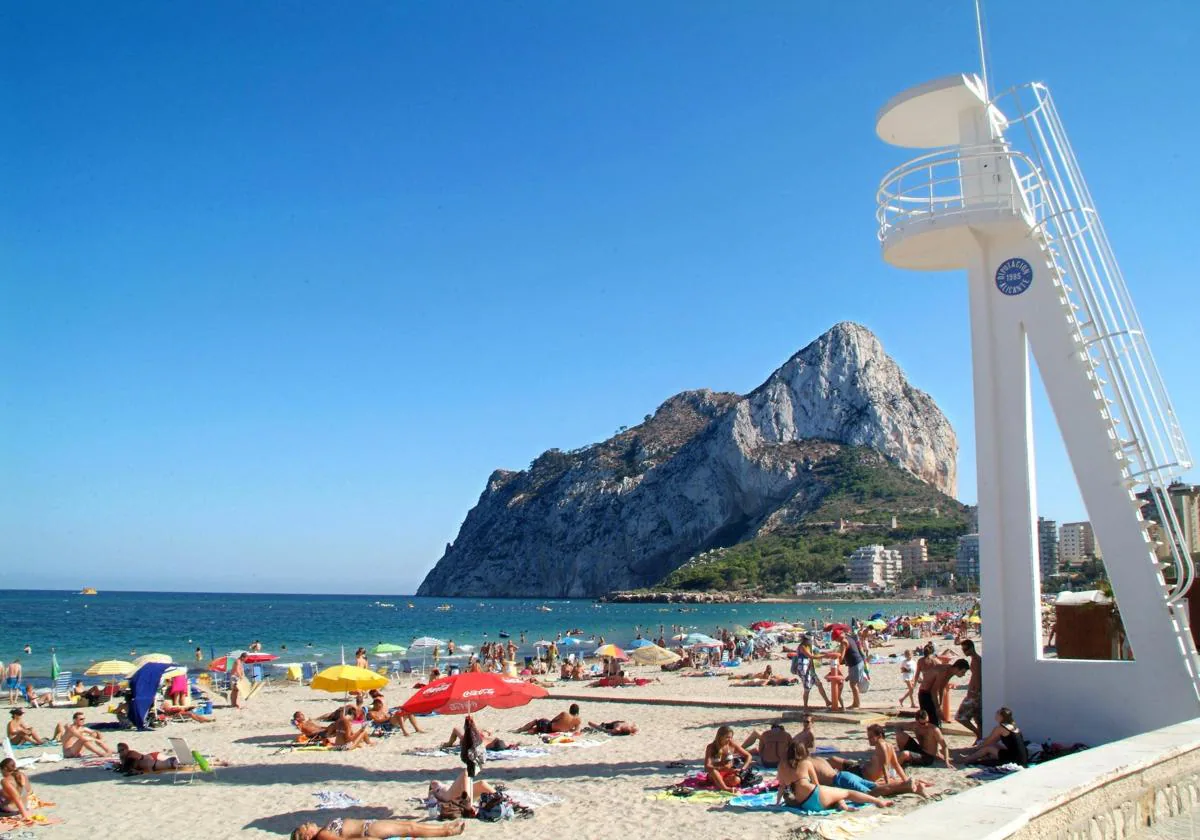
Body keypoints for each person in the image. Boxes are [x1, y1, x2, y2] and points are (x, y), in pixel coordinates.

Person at [776, 742, 892, 812]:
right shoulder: (806, 763)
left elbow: (781, 787)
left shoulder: (781, 766)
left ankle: (842, 805)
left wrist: (777, 804)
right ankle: (878, 802)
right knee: (847, 793)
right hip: (815, 794)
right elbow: (817, 784)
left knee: (835, 796)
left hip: (805, 804)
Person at [826, 724, 931, 797]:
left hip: (860, 773)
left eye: (871, 737)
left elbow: (884, 766)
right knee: (835, 761)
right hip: (860, 769)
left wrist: (887, 783)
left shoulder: (881, 745)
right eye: (868, 737)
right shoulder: (889, 745)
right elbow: (896, 765)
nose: (869, 740)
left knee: (832, 760)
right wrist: (904, 779)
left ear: (879, 736)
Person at [962, 707, 1029, 766]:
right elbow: (994, 740)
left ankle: (967, 759)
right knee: (993, 745)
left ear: (1001, 716)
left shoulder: (1000, 728)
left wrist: (977, 748)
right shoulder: (1013, 726)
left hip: (1014, 759)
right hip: (1023, 758)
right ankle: (976, 756)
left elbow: (988, 741)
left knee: (987, 748)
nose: (995, 714)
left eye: (997, 713)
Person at [916, 658, 970, 728]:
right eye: (963, 672)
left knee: (937, 722)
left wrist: (940, 704)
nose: (964, 675)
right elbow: (933, 690)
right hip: (925, 693)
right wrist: (938, 708)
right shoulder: (944, 671)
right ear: (956, 668)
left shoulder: (951, 671)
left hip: (931, 694)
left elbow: (942, 687)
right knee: (931, 722)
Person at [290, 818, 464, 839]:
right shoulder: (322, 835)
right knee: (410, 827)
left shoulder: (322, 831)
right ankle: (447, 831)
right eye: (305, 827)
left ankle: (444, 828)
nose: (307, 823)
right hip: (368, 831)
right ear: (306, 837)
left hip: (370, 826)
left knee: (410, 826)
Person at [704, 725, 753, 791]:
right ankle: (725, 788)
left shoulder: (732, 745)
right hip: (715, 773)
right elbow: (707, 766)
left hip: (728, 772)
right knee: (714, 771)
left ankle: (719, 783)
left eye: (731, 737)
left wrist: (743, 769)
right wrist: (721, 768)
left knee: (736, 780)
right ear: (720, 737)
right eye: (727, 737)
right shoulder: (711, 747)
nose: (730, 739)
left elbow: (748, 756)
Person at [792, 635, 831, 709]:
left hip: (810, 669)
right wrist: (824, 656)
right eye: (810, 640)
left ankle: (827, 701)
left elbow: (816, 652)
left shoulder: (809, 646)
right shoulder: (802, 647)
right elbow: (810, 656)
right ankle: (805, 707)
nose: (811, 641)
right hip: (804, 670)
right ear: (805, 640)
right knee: (807, 688)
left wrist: (826, 653)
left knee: (819, 684)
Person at [955, 640, 984, 739]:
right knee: (978, 719)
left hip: (974, 694)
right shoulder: (976, 659)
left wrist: (973, 692)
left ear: (972, 648)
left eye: (966, 649)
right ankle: (980, 738)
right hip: (977, 693)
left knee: (960, 717)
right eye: (963, 649)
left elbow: (977, 678)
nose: (964, 651)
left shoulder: (976, 661)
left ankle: (978, 734)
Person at [837, 630, 866, 710]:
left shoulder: (843, 642)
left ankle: (857, 704)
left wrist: (836, 662)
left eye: (836, 638)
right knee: (853, 684)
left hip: (855, 663)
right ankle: (855, 703)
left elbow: (841, 656)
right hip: (857, 662)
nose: (837, 640)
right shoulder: (849, 637)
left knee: (853, 685)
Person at [0, 758, 34, 822]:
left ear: (4, 769)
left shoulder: (5, 781)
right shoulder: (21, 774)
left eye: (1, 771)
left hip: (13, 809)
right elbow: (28, 790)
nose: (1, 773)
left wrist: (24, 815)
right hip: (26, 805)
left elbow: (17, 798)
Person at [516, 703, 581, 735]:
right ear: (577, 712)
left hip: (549, 727)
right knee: (536, 729)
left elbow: (553, 720)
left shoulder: (564, 714)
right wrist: (568, 728)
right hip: (552, 732)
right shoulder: (578, 720)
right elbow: (576, 731)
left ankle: (520, 730)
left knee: (536, 721)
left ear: (570, 710)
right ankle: (531, 731)